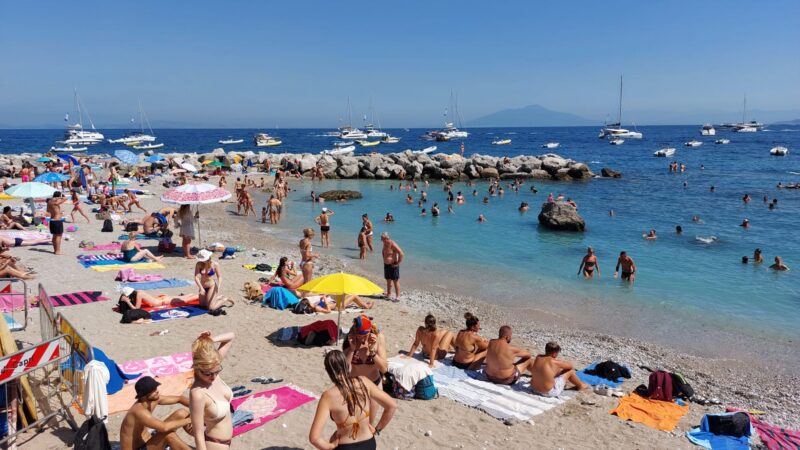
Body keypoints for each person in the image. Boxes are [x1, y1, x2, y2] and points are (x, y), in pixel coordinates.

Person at [308, 350, 396, 450]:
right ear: (347, 365)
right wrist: (377, 429)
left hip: (346, 446)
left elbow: (314, 438)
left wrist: (330, 446)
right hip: (369, 443)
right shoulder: (364, 382)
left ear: (328, 371)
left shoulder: (328, 396)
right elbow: (392, 405)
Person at [189, 331, 235, 450]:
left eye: (217, 371)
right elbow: (198, 433)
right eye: (208, 373)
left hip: (226, 442)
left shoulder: (212, 365)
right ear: (197, 368)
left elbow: (231, 336)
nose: (213, 377)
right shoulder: (198, 393)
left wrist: (208, 341)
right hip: (215, 445)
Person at [119, 376, 192, 450]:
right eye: (153, 390)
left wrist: (201, 410)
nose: (157, 391)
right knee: (169, 435)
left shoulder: (152, 400)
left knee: (182, 413)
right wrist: (190, 420)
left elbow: (180, 399)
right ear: (143, 396)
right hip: (138, 448)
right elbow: (164, 427)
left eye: (156, 388)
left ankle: (203, 438)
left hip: (148, 439)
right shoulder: (139, 411)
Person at [343, 315, 387, 388]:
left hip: (374, 384)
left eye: (364, 336)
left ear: (370, 330)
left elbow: (384, 369)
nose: (361, 338)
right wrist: (352, 350)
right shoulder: (351, 339)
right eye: (358, 335)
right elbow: (345, 369)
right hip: (355, 384)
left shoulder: (379, 338)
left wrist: (372, 351)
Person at [380, 232, 403, 301]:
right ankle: (388, 294)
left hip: (393, 265)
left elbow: (401, 253)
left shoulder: (392, 244)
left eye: (382, 239)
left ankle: (398, 296)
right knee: (388, 280)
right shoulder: (385, 243)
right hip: (386, 264)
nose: (381, 240)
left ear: (386, 238)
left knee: (395, 280)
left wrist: (398, 263)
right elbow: (384, 252)